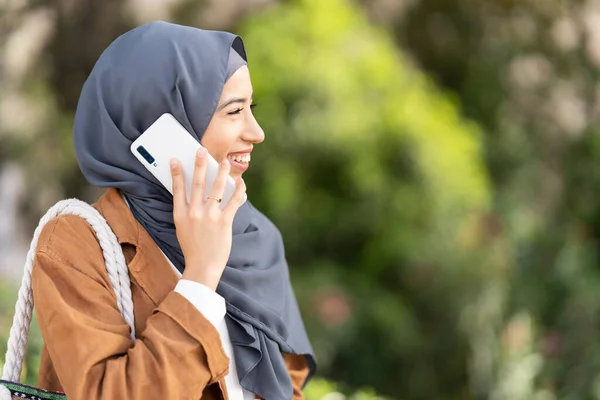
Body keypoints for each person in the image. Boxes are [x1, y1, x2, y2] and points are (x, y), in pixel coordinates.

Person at [31, 21, 316, 400]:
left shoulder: (255, 238)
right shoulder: (76, 244)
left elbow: (286, 384)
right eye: (234, 112)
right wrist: (199, 277)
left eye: (252, 108)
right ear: (162, 126)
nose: (257, 131)